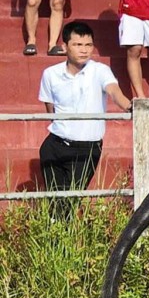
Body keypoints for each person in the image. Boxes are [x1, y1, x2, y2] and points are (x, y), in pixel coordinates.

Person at [38, 21, 132, 217]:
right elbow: (50, 110)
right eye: (78, 45)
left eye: (88, 45)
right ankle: (55, 246)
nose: (84, 50)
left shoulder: (100, 70)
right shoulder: (50, 74)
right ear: (64, 47)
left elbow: (114, 91)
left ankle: (66, 245)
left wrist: (131, 106)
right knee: (55, 203)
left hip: (86, 149)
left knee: (69, 203)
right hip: (54, 145)